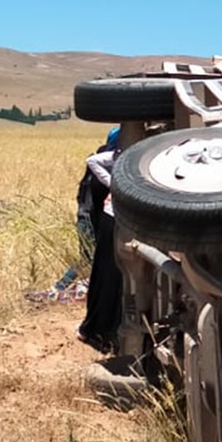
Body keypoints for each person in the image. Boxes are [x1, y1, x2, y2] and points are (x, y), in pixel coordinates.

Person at [77, 130, 123, 352]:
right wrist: (115, 184)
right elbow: (93, 161)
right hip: (114, 219)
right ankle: (98, 330)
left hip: (114, 219)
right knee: (109, 276)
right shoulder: (118, 157)